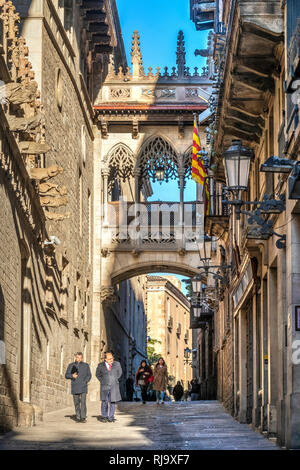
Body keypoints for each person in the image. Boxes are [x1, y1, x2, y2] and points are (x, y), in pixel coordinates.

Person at [96, 350, 122, 423]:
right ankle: (104, 416)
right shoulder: (100, 365)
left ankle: (111, 417)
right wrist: (103, 381)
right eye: (109, 359)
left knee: (112, 402)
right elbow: (97, 374)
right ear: (105, 359)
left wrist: (115, 379)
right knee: (104, 401)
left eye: (112, 358)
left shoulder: (117, 364)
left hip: (114, 386)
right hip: (104, 386)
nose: (111, 360)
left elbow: (120, 373)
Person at [65, 352, 92, 423]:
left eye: (80, 358)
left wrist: (85, 381)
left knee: (83, 402)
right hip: (75, 386)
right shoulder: (71, 365)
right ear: (75, 357)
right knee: (76, 403)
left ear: (82, 358)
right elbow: (66, 375)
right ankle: (78, 417)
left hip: (83, 387)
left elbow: (89, 375)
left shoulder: (86, 366)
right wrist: (72, 376)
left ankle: (83, 417)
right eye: (77, 357)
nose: (79, 359)